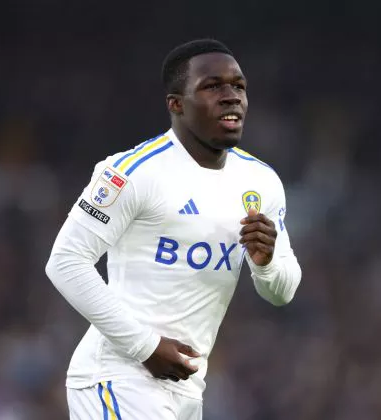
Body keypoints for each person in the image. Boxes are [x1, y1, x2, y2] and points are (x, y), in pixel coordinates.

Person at [45, 38, 302, 420]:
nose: (231, 96)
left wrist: (265, 264)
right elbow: (65, 262)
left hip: (185, 389)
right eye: (213, 86)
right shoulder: (132, 173)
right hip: (118, 377)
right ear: (176, 104)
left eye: (239, 86)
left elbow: (282, 292)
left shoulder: (260, 182)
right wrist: (145, 346)